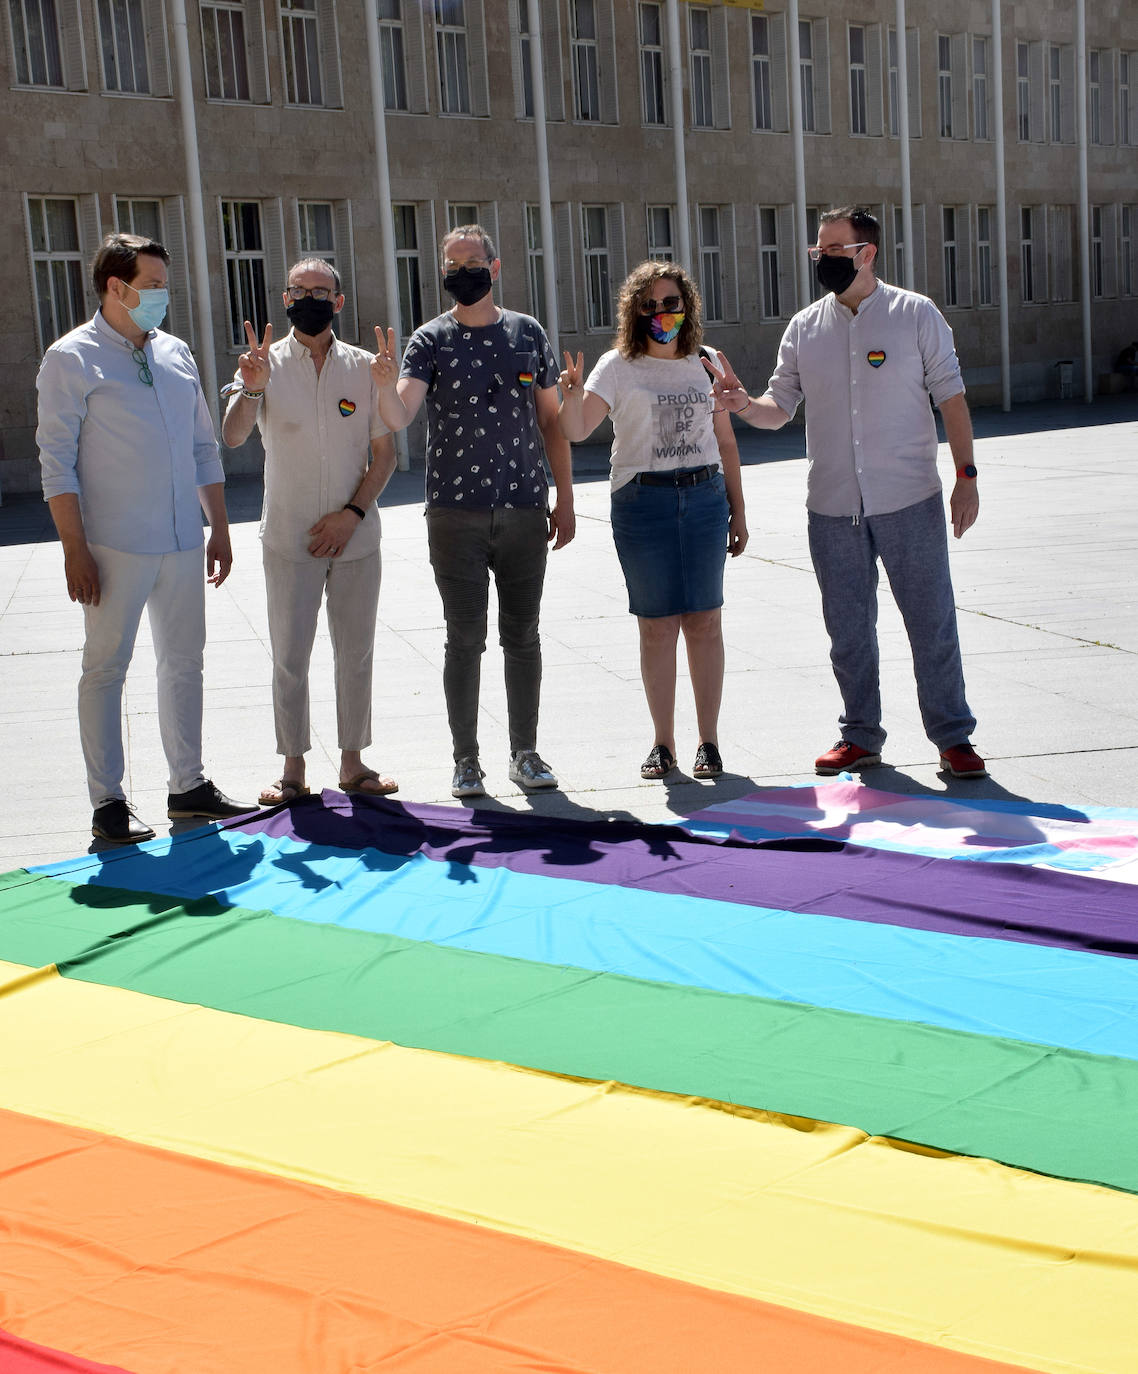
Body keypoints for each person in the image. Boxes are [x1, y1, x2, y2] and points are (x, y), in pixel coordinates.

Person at [709, 205, 986, 780]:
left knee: (930, 620)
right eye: (818, 250)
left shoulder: (915, 315)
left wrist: (966, 477)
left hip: (909, 497)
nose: (824, 259)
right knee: (847, 627)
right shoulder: (806, 327)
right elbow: (778, 407)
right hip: (833, 506)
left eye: (835, 249)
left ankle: (953, 737)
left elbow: (952, 398)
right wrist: (740, 403)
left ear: (868, 252)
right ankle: (859, 735)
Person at [36, 232, 254, 844]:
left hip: (183, 538)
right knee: (105, 669)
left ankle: (188, 785)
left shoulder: (176, 352)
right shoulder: (70, 358)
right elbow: (57, 463)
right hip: (112, 545)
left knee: (185, 663)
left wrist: (220, 529)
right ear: (115, 286)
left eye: (165, 287)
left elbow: (202, 446)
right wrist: (74, 548)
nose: (162, 297)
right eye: (152, 287)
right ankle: (108, 800)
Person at [370, 224, 574, 798]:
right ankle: (466, 760)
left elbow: (552, 421)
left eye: (471, 261)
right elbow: (401, 413)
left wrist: (567, 499)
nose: (462, 272)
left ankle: (525, 753)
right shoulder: (429, 339)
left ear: (496, 265)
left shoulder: (527, 334)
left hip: (524, 507)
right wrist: (385, 387)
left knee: (523, 635)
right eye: (451, 263)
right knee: (464, 637)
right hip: (454, 513)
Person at [558, 261, 748, 780]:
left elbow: (726, 442)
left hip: (705, 498)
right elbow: (576, 430)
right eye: (650, 305)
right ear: (633, 312)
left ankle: (708, 741)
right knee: (657, 628)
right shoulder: (617, 366)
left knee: (705, 622)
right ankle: (663, 743)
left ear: (686, 307)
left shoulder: (705, 362)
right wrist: (570, 396)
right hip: (643, 504)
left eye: (670, 303)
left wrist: (739, 508)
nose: (661, 313)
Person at [221, 258, 398, 803]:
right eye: (301, 291)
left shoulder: (365, 368)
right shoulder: (262, 364)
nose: (311, 299)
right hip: (289, 539)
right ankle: (292, 768)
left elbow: (386, 454)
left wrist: (352, 514)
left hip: (355, 540)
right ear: (285, 298)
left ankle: (353, 763)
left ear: (339, 302)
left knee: (356, 652)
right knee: (290, 655)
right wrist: (251, 390)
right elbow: (231, 437)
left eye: (322, 291)